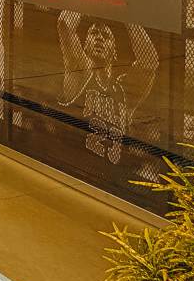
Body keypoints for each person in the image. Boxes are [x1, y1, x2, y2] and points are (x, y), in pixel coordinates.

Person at [55, 10, 159, 167]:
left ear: (114, 52)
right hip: (78, 167)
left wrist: (128, 14)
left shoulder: (123, 90)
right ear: (85, 45)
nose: (99, 38)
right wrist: (85, 0)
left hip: (113, 172)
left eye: (106, 36)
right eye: (94, 33)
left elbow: (149, 62)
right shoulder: (81, 74)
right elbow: (65, 24)